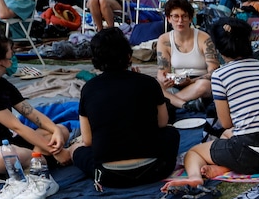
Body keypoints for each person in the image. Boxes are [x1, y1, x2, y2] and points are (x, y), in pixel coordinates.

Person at [163, 17, 259, 193]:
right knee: (228, 136)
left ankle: (195, 177)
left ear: (219, 49)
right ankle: (224, 167)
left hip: (248, 153)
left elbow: (226, 123)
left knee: (194, 152)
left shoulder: (221, 75)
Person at [70, 28, 179, 189]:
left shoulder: (89, 89)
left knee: (77, 150)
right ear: (128, 55)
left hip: (108, 176)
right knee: (171, 133)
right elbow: (163, 123)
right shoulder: (148, 83)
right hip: (155, 169)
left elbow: (87, 140)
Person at [0, 33, 70, 199]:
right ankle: (41, 168)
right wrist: (55, 150)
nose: (13, 55)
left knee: (62, 130)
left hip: (10, 144)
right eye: (10, 52)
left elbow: (31, 113)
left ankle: (35, 167)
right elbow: (17, 126)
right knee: (0, 157)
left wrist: (55, 130)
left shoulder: (2, 84)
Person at [155, 0, 218, 112]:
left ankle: (171, 103)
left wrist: (191, 81)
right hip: (176, 81)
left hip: (198, 81)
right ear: (169, 18)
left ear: (190, 18)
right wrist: (164, 79)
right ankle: (185, 105)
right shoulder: (164, 40)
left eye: (184, 16)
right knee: (155, 85)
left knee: (205, 85)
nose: (180, 21)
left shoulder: (203, 38)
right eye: (176, 16)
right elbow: (162, 71)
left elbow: (214, 71)